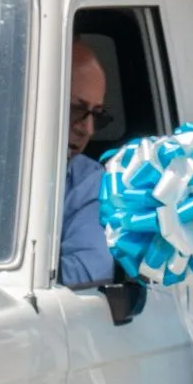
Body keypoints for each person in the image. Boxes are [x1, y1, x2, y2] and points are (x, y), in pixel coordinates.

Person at [60, 39, 116, 285]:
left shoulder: (89, 182)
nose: (88, 129)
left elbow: (90, 270)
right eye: (76, 108)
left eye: (96, 115)